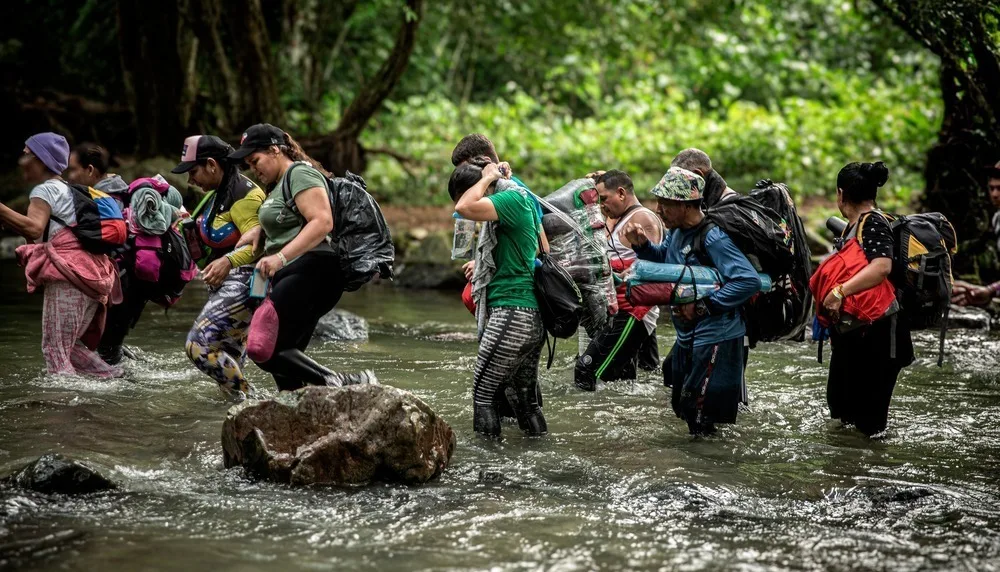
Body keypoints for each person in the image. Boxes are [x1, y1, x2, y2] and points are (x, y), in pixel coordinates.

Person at [229, 123, 375, 391]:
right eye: (249, 164)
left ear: (275, 150)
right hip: (298, 272)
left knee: (263, 347)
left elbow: (321, 222)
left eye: (255, 160)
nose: (253, 169)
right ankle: (298, 409)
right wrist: (260, 230)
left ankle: (346, 382)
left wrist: (280, 258)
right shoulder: (279, 185)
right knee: (283, 356)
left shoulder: (299, 174)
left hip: (314, 270)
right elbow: (289, 217)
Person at [623, 167, 760, 436]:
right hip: (688, 336)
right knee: (683, 406)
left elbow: (748, 281)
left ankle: (712, 470)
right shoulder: (677, 232)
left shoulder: (713, 237)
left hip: (717, 335)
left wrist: (702, 307)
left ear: (686, 206)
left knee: (698, 410)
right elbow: (667, 259)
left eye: (666, 204)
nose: (658, 210)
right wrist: (642, 246)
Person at [0, 133, 122, 377]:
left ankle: (62, 408)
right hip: (92, 277)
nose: (20, 161)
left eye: (26, 155)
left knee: (54, 350)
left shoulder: (43, 191)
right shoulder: (66, 190)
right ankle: (118, 380)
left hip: (69, 277)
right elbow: (41, 236)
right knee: (70, 348)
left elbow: (34, 228)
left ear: (41, 160)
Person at [448, 158, 547, 438]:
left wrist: (484, 178)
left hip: (512, 313)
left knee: (483, 395)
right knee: (525, 403)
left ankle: (487, 471)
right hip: (528, 317)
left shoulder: (510, 198)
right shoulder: (517, 199)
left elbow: (464, 206)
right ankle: (541, 453)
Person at [818, 161, 914, 437]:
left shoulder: (872, 222)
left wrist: (839, 292)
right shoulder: (853, 228)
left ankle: (871, 475)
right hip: (858, 333)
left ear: (840, 193)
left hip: (881, 335)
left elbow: (881, 266)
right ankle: (852, 469)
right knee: (842, 408)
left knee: (870, 424)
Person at [173, 135, 266, 399]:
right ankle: (244, 412)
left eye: (193, 172)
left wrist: (227, 261)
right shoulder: (218, 193)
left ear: (212, 165)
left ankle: (256, 401)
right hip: (227, 284)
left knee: (198, 346)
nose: (190, 180)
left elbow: (260, 245)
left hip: (248, 281)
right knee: (228, 363)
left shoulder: (244, 196)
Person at [574, 169, 664, 391]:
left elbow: (655, 265)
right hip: (616, 310)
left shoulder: (642, 218)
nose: (602, 205)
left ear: (622, 193)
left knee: (587, 370)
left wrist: (622, 275)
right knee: (621, 384)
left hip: (634, 312)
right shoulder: (617, 219)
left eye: (604, 199)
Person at [954, 160, 1000, 305]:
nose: (994, 194)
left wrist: (990, 290)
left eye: (999, 188)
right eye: (991, 188)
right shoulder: (997, 218)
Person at [65, 143, 130, 207]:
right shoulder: (119, 194)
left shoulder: (100, 205)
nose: (70, 176)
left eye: (73, 170)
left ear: (90, 170)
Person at [670, 148, 738, 209]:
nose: (679, 187)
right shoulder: (714, 204)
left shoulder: (730, 208)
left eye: (682, 180)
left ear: (698, 174)